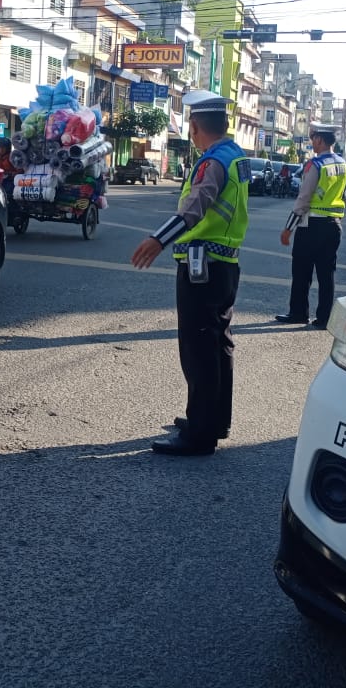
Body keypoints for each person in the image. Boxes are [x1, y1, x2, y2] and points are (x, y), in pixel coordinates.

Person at [130, 91, 251, 456]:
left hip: (203, 265)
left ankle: (200, 434)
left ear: (196, 126)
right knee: (219, 343)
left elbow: (195, 208)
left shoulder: (212, 162)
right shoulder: (237, 157)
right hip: (226, 264)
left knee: (199, 348)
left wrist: (158, 239)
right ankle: (214, 419)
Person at [276, 128, 346, 328]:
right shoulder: (343, 164)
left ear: (320, 139)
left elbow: (304, 198)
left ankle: (299, 312)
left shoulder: (315, 165)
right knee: (327, 274)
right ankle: (324, 318)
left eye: (313, 139)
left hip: (311, 225)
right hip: (333, 224)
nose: (312, 143)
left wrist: (288, 228)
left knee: (301, 272)